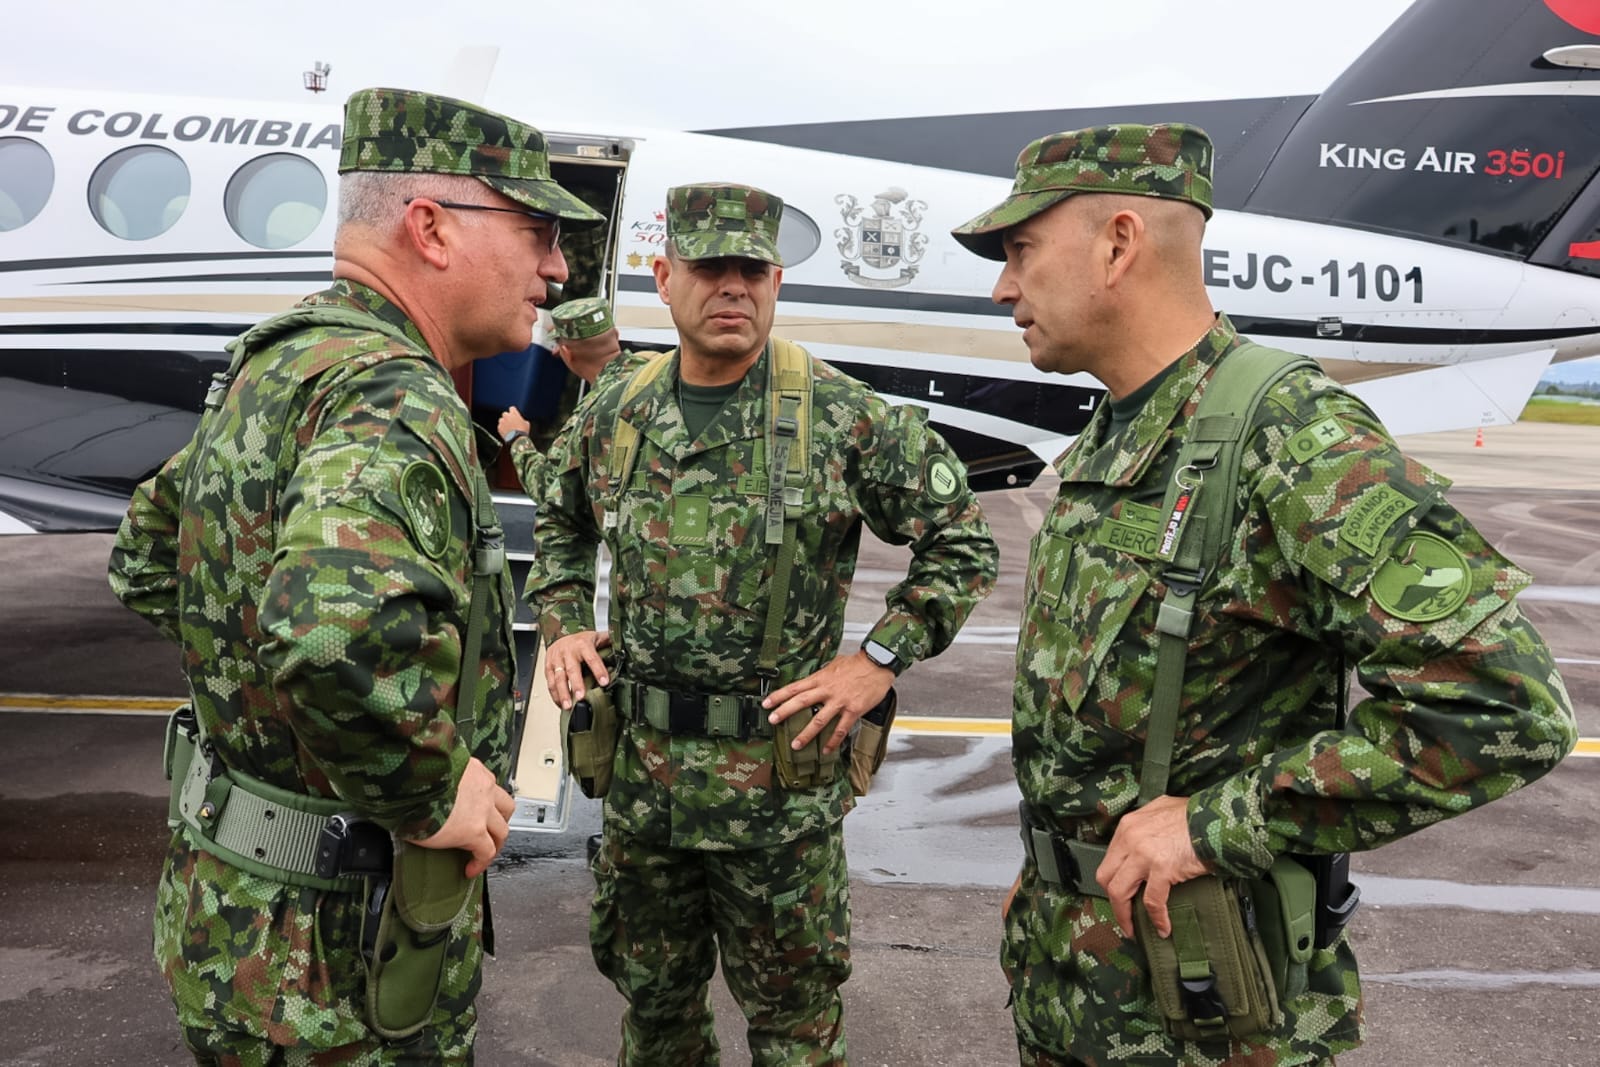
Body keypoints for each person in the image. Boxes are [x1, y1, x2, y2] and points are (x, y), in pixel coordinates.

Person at [949, 123, 1578, 1066]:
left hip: (1208, 1017)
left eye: (1021, 249)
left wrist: (1215, 823)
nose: (1003, 285)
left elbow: (1505, 704)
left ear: (1118, 244)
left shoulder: (1291, 438)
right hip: (1077, 982)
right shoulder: (1112, 440)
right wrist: (1056, 875)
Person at [107, 86, 603, 1065]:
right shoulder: (392, 395)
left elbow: (147, 554)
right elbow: (325, 639)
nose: (556, 267)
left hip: (233, 914)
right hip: (334, 957)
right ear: (430, 227)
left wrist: (255, 709)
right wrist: (426, 786)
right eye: (539, 229)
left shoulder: (278, 365)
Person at [529, 182, 999, 1065]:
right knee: (656, 1022)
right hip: (645, 796)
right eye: (710, 269)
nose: (733, 288)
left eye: (752, 269)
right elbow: (557, 513)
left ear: (778, 281)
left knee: (795, 1034)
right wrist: (561, 619)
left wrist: (878, 658)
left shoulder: (843, 417)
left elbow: (962, 542)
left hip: (777, 804)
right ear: (665, 279)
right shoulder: (619, 411)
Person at [497, 295, 644, 499]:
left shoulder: (593, 411)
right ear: (616, 335)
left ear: (565, 352)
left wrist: (517, 437)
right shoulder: (654, 375)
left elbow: (551, 491)